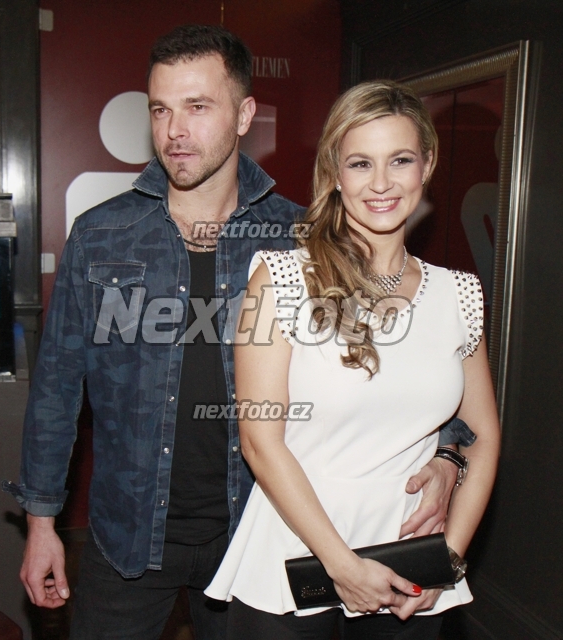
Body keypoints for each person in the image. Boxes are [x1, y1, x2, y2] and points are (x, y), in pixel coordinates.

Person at [3, 26, 474, 640]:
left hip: (258, 530)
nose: (175, 131)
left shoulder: (302, 238)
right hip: (128, 536)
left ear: (245, 115)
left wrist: (448, 452)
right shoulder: (101, 235)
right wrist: (41, 524)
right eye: (161, 110)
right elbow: (56, 390)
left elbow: (397, 358)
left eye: (197, 107)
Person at [205, 80, 500, 640]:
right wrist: (342, 566)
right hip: (295, 562)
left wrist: (448, 558)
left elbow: (482, 436)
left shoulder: (459, 293)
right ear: (335, 173)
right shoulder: (280, 278)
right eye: (361, 163)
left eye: (401, 160)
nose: (382, 183)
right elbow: (260, 441)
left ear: (427, 164)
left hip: (409, 572)